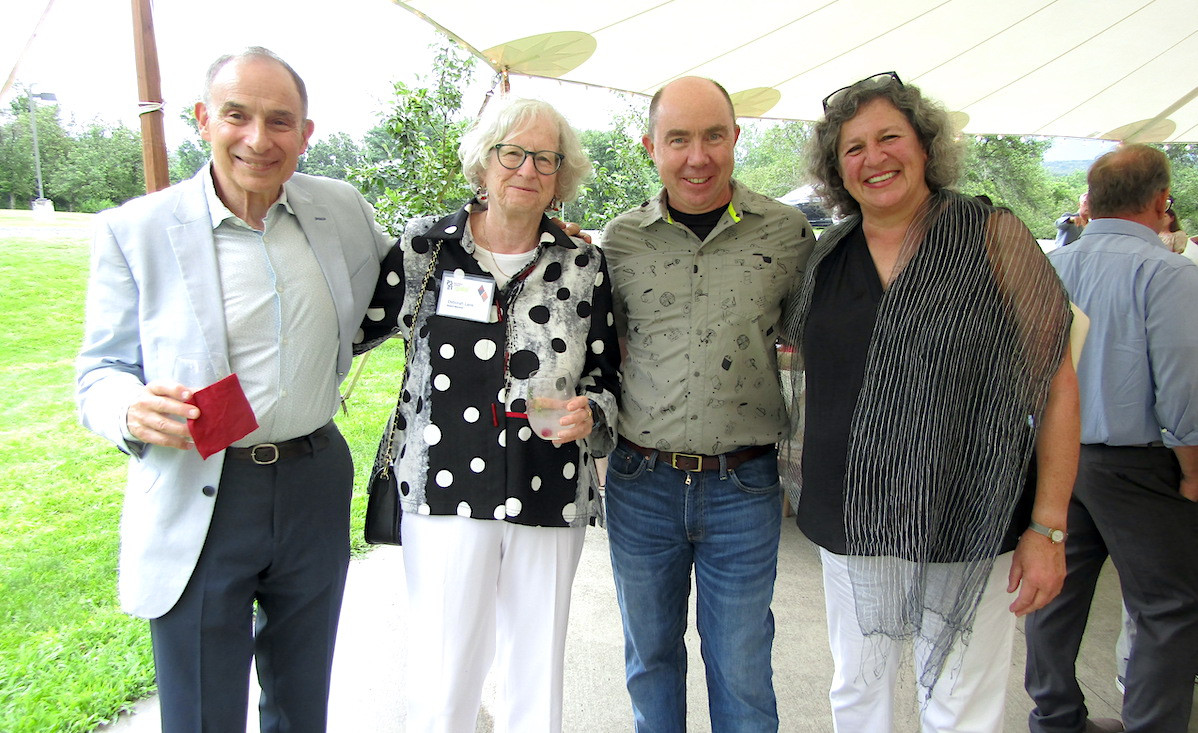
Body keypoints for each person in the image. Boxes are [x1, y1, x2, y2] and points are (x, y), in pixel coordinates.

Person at [75, 48, 392, 732]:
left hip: (314, 477)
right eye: (237, 116)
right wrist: (126, 407)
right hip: (201, 484)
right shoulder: (135, 231)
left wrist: (541, 242)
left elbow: (413, 279)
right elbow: (96, 370)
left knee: (302, 697)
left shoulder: (340, 209)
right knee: (200, 709)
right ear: (202, 120)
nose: (258, 139)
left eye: (280, 121)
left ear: (307, 133)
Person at [787, 71, 1079, 732]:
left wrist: (1049, 526)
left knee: (960, 703)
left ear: (925, 147)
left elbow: (1056, 385)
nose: (874, 157)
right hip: (852, 518)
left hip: (968, 512)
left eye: (890, 137)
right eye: (853, 148)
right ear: (836, 170)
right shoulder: (826, 258)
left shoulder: (993, 237)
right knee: (857, 691)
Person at [355, 96, 620, 733]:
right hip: (442, 485)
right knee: (443, 675)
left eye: (546, 159)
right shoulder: (426, 246)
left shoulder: (583, 264)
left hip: (549, 486)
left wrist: (593, 412)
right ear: (484, 160)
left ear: (562, 176)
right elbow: (352, 331)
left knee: (536, 672)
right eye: (513, 153)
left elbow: (607, 374)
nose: (527, 169)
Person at [601, 75, 816, 732]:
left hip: (743, 484)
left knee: (742, 664)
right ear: (650, 147)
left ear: (735, 138)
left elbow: (821, 341)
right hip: (641, 482)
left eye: (713, 136)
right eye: (679, 139)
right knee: (650, 659)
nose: (698, 156)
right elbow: (591, 351)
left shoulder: (787, 233)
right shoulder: (619, 241)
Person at [1025, 144, 1198, 733]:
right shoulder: (1169, 273)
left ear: (1089, 203)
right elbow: (1181, 383)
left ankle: (1054, 716)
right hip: (1138, 465)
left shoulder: (1053, 265)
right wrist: (1194, 468)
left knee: (1057, 595)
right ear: (1160, 202)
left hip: (1058, 457)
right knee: (1167, 607)